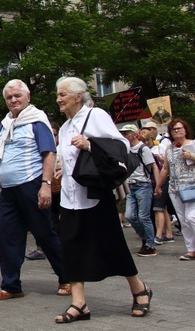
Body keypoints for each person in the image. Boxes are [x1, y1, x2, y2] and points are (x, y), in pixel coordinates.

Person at [54, 76, 151, 323]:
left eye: (63, 94)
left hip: (95, 194)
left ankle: (139, 289)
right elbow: (68, 160)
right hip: (70, 197)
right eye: (58, 95)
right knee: (71, 248)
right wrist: (61, 169)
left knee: (112, 244)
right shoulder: (64, 128)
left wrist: (89, 145)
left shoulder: (95, 115)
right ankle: (79, 303)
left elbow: (119, 146)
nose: (58, 99)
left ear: (78, 96)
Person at [0, 80, 68, 301]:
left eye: (17, 96)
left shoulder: (37, 120)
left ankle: (67, 278)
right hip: (9, 189)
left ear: (28, 96)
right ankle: (11, 285)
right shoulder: (5, 124)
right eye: (9, 97)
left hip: (32, 185)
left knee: (44, 234)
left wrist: (44, 185)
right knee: (7, 237)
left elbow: (49, 153)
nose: (13, 100)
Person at [159, 119, 195, 261]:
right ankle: (191, 250)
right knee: (183, 220)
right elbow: (165, 169)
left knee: (191, 217)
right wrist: (158, 186)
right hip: (175, 189)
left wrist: (191, 156)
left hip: (192, 186)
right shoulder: (170, 148)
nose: (177, 131)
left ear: (185, 130)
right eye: (174, 130)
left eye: (179, 128)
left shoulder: (193, 144)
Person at [120, 124, 158, 257]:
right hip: (130, 185)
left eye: (126, 133)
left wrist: (157, 186)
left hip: (143, 185)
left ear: (134, 134)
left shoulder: (143, 149)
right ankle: (147, 238)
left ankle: (150, 245)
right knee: (130, 215)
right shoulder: (125, 149)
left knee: (144, 216)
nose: (124, 136)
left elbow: (153, 167)